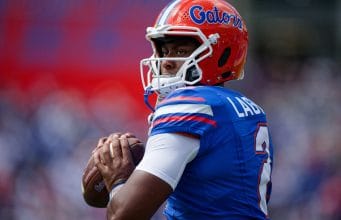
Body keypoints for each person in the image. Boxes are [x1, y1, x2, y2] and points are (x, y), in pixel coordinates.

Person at [93, 0, 274, 219]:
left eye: (180, 50)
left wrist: (118, 180)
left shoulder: (189, 104)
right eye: (164, 50)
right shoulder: (252, 110)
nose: (166, 62)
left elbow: (123, 215)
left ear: (221, 53)